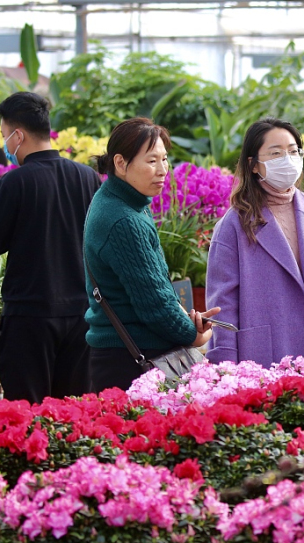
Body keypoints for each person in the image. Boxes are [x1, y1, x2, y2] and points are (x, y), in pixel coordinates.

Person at [84, 117, 220, 391]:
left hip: (127, 355)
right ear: (121, 163)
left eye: (165, 159)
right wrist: (193, 333)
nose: (163, 170)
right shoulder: (124, 219)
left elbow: (157, 286)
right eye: (151, 161)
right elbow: (154, 305)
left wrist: (188, 318)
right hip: (129, 362)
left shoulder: (123, 201)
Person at [0, 92, 101, 403]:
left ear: (19, 135)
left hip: (29, 317)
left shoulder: (14, 183)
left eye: (5, 136)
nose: (5, 144)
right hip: (82, 317)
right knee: (74, 414)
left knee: (27, 413)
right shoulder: (88, 178)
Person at [206, 117, 304, 368]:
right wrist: (225, 368)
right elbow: (223, 305)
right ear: (253, 165)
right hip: (268, 356)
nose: (287, 159)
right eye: (276, 153)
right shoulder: (234, 224)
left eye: (293, 151)